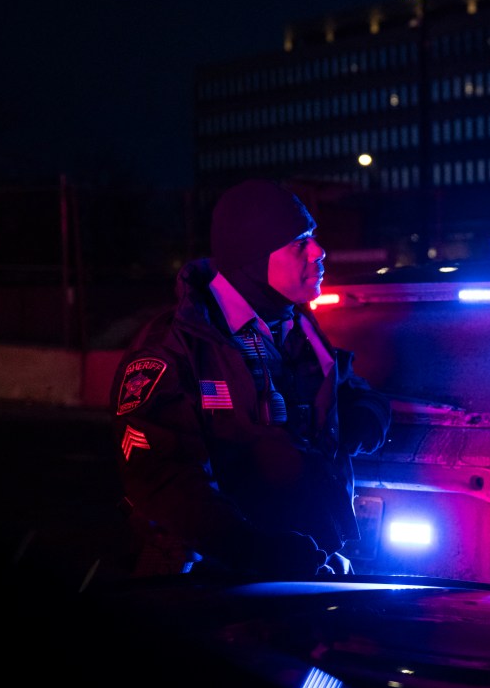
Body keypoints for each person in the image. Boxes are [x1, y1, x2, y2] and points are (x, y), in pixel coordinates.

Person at [111, 179, 391, 579]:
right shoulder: (174, 348)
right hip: (210, 587)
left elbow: (351, 393)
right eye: (299, 242)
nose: (319, 251)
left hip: (306, 568)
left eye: (313, 237)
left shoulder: (296, 328)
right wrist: (249, 550)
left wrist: (366, 416)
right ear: (253, 257)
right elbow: (161, 477)